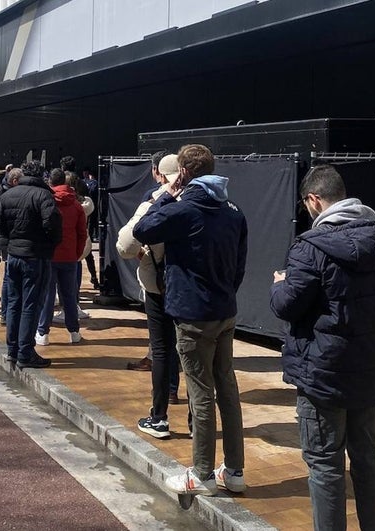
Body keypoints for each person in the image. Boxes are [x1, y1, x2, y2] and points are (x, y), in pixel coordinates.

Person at [270, 164, 375, 531]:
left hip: (323, 375)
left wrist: (279, 283)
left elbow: (286, 305)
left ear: (314, 200)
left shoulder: (309, 248)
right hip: (372, 371)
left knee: (326, 467)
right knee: (368, 459)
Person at [134, 144, 247, 496]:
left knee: (200, 393)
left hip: (193, 314)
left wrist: (168, 193)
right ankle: (235, 471)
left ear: (183, 172)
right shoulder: (233, 211)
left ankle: (201, 473)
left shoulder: (185, 208)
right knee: (227, 389)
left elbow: (143, 229)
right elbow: (240, 264)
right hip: (224, 310)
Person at [117, 153, 184, 439]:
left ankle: (159, 416)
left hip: (159, 286)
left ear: (158, 173)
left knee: (161, 348)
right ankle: (198, 421)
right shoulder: (213, 203)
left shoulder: (155, 201)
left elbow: (125, 244)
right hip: (195, 290)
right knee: (192, 352)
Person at [0, 160, 62, 369]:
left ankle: (12, 349)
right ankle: (25, 351)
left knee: (14, 303)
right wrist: (49, 244)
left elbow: (0, 226)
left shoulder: (7, 195)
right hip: (35, 255)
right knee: (31, 304)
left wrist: (9, 246)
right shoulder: (43, 196)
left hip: (14, 254)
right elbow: (52, 224)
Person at [35, 169, 87, 345]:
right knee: (69, 295)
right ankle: (74, 332)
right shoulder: (76, 205)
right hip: (70, 256)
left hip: (50, 255)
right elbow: (82, 233)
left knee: (48, 295)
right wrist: (76, 253)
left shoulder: (46, 202)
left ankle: (43, 333)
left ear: (50, 182)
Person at [0, 166, 22, 326]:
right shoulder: (4, 195)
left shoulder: (2, 192)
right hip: (9, 241)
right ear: (15, 181)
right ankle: (6, 313)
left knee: (8, 278)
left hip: (8, 240)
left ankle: (7, 313)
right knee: (8, 279)